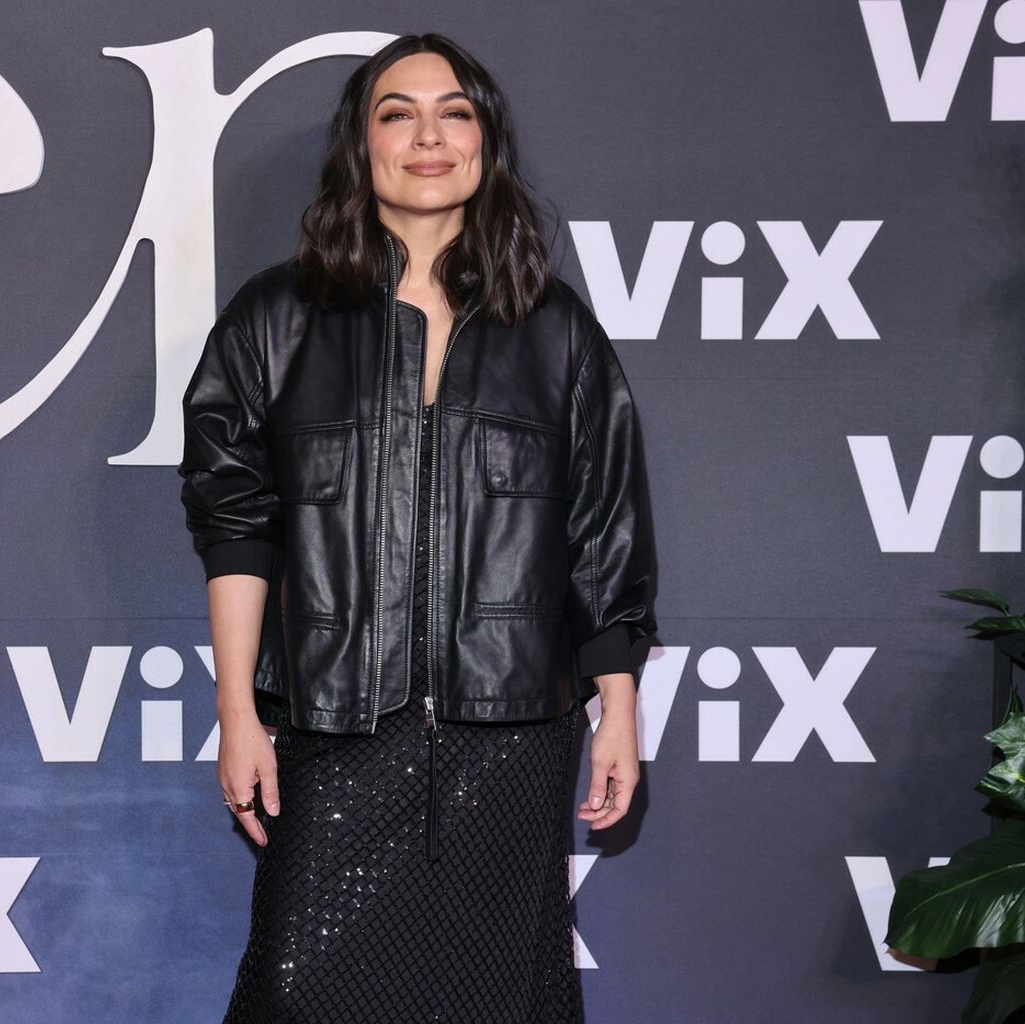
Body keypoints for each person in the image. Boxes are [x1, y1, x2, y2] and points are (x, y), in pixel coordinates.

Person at [177, 31, 656, 1024]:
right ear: (363, 146)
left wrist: (618, 705)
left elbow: (603, 524)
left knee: (498, 999)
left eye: (455, 113)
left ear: (486, 142)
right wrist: (237, 711)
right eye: (398, 114)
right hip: (336, 722)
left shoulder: (556, 328)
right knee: (295, 994)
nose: (429, 137)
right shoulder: (276, 318)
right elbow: (236, 524)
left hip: (512, 734)